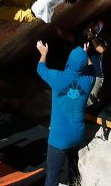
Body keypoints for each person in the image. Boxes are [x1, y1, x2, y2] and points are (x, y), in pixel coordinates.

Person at [36, 39, 94, 186]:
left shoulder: (58, 78)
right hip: (78, 135)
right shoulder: (89, 80)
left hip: (59, 139)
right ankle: (72, 181)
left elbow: (40, 68)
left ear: (68, 61)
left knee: (51, 177)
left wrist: (44, 53)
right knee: (71, 164)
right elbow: (92, 67)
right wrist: (86, 54)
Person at [56, 19, 107, 106]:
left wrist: (92, 37)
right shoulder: (81, 39)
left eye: (92, 26)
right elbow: (66, 36)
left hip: (95, 77)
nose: (89, 26)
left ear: (95, 30)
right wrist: (56, 25)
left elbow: (101, 49)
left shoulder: (100, 41)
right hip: (82, 76)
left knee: (87, 100)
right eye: (89, 24)